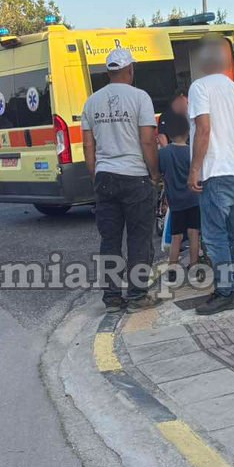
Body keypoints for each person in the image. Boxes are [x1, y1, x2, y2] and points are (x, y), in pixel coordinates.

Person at [81, 47, 161, 313]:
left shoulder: (92, 102)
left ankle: (112, 298)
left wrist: (96, 176)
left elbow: (88, 147)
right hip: (135, 176)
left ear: (108, 73)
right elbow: (147, 140)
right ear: (130, 70)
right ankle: (137, 296)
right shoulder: (140, 97)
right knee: (139, 238)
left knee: (110, 240)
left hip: (105, 176)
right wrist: (154, 173)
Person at [187, 38, 234, 315]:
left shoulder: (199, 87)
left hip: (215, 171)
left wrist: (195, 169)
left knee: (215, 236)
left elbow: (203, 129)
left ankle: (225, 291)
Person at [157, 112, 201, 274]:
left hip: (175, 202)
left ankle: (172, 269)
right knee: (194, 233)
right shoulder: (192, 152)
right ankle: (194, 266)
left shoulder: (163, 153)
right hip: (193, 199)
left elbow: (159, 172)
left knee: (176, 236)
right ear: (188, 132)